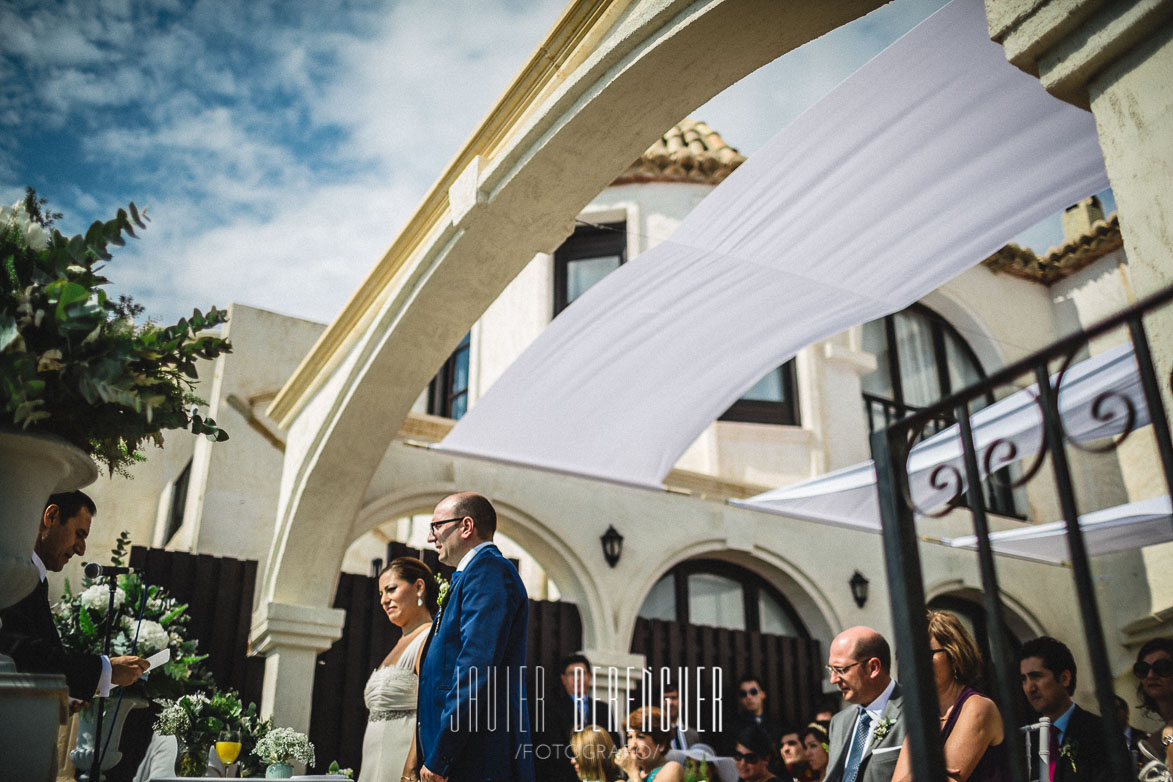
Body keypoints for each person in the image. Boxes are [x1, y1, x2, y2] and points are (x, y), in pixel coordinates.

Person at [415, 492, 535, 782]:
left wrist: (442, 756)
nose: (432, 537)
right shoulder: (472, 574)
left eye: (437, 526)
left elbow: (475, 667)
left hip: (475, 755)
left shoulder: (488, 571)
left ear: (466, 526)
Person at [0, 491, 148, 701]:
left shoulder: (35, 579)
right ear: (51, 517)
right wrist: (105, 669)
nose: (81, 549)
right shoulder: (16, 573)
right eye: (79, 534)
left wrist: (67, 697)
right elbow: (22, 652)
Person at [890, 610, 1008, 782]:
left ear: (954, 656)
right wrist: (929, 770)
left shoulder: (978, 707)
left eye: (926, 654)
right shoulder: (925, 718)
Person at [359, 557, 437, 782]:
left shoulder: (428, 637)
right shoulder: (397, 644)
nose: (384, 600)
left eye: (391, 589)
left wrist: (411, 767)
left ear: (419, 587)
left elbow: (430, 704)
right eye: (381, 594)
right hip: (372, 761)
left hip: (401, 760)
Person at [1018, 635, 1109, 782]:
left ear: (1065, 678)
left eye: (1036, 676)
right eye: (1024, 679)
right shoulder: (1025, 742)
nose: (1029, 688)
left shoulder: (1099, 732)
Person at [824, 626, 904, 782]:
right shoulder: (839, 722)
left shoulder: (914, 713)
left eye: (840, 669)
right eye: (831, 669)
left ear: (873, 668)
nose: (833, 679)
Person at [544, 654, 621, 781]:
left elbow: (614, 742)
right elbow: (553, 747)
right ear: (563, 679)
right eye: (572, 674)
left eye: (582, 673)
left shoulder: (603, 708)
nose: (578, 679)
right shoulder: (553, 709)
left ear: (590, 676)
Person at [1134, 637, 1173, 774]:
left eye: (1162, 667)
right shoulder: (1153, 741)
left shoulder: (1168, 736)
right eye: (1143, 669)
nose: (1151, 675)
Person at [617, 706, 685, 782]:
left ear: (661, 744)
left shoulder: (672, 769)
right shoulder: (638, 774)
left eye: (640, 737)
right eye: (630, 737)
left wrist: (633, 774)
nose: (632, 745)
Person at [726, 674, 782, 754]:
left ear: (763, 694)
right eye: (743, 694)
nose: (748, 697)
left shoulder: (777, 725)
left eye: (753, 692)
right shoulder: (732, 728)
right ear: (739, 699)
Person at [1114, 693, 1148, 768]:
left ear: (1126, 711)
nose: (1112, 715)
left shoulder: (1144, 738)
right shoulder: (1101, 742)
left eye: (1115, 710)